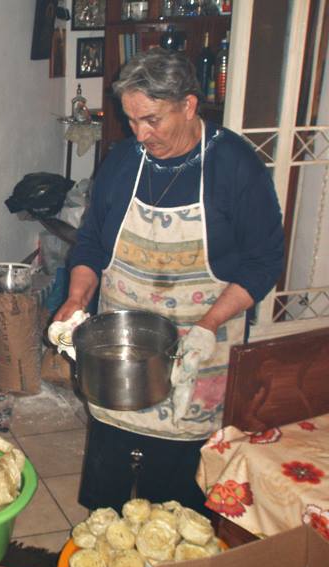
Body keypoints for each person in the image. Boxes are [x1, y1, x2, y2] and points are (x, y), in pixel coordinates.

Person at [52, 48, 284, 515]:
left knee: (179, 507)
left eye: (152, 120)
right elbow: (91, 242)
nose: (140, 134)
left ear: (189, 105)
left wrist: (208, 324)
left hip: (198, 353)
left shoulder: (234, 165)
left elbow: (263, 262)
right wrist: (76, 298)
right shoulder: (123, 161)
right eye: (131, 120)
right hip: (121, 356)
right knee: (112, 498)